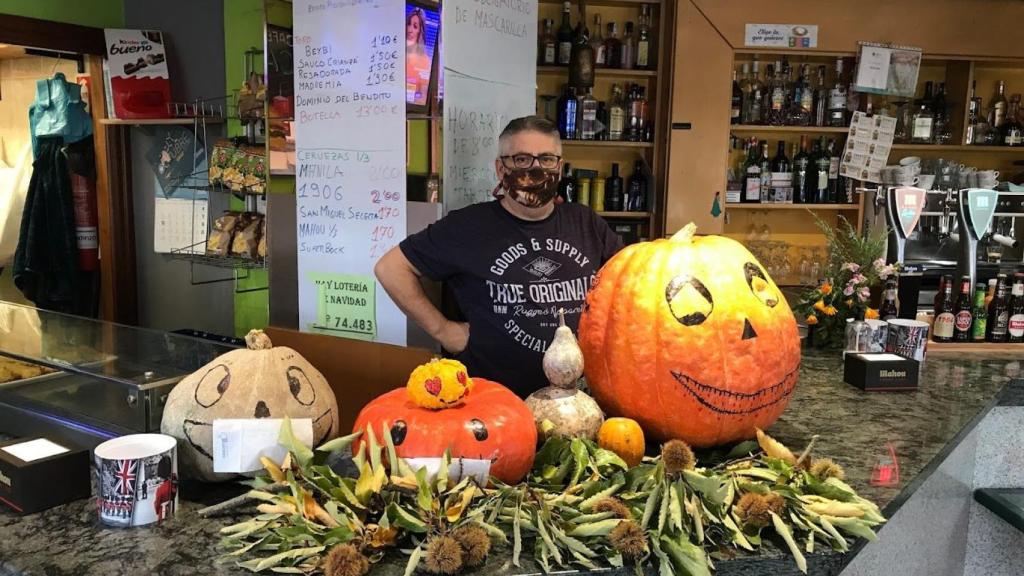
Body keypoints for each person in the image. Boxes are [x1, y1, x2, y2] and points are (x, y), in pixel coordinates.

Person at [375, 116, 623, 398]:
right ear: (500, 167)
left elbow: (629, 280)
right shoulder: (468, 226)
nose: (535, 169)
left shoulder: (586, 222)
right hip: (494, 402)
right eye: (521, 160)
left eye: (546, 159)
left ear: (560, 167)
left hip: (580, 399)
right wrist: (443, 330)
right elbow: (391, 268)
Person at [405, 8, 431, 106]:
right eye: (408, 24)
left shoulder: (424, 61)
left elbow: (423, 97)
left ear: (420, 31)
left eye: (415, 26)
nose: (410, 30)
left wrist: (413, 98)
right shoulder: (396, 52)